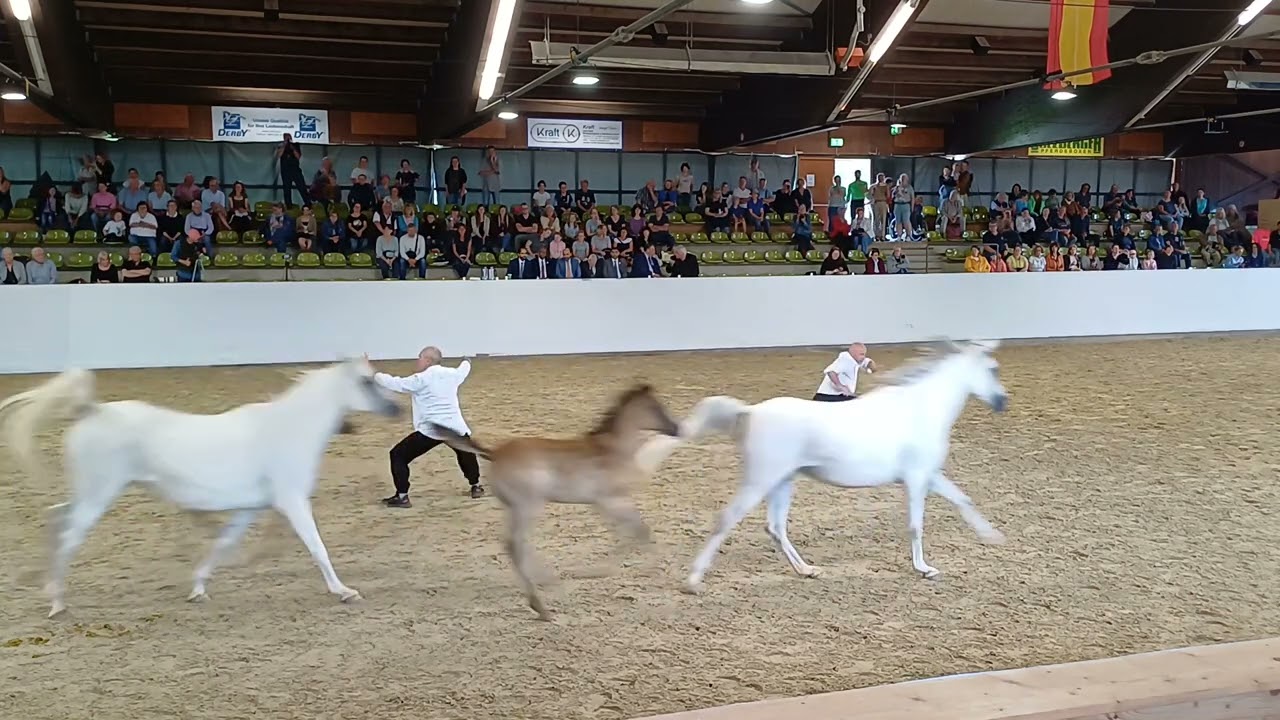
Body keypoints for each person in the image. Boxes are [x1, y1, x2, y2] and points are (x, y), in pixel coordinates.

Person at [369, 347, 484, 507]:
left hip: (432, 430)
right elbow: (464, 369)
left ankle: (402, 496)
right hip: (455, 427)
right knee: (466, 454)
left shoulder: (421, 379)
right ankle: (476, 486)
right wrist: (467, 360)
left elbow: (395, 383)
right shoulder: (452, 374)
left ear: (428, 360)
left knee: (398, 455)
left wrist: (373, 374)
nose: (418, 361)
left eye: (420, 357)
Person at [276, 133, 310, 208]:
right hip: (285, 171)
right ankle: (289, 206)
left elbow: (298, 156)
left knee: (302, 187)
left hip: (295, 170)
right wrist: (284, 145)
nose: (287, 139)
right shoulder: (281, 145)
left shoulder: (295, 145)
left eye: (288, 137)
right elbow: (279, 155)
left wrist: (293, 148)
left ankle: (308, 204)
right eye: (285, 137)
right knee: (287, 189)